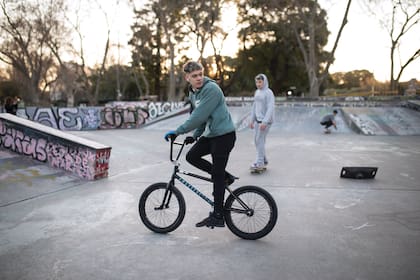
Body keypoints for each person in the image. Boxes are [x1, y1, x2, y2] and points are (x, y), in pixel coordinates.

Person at [164, 61, 236, 228]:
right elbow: (203, 120)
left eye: (200, 74)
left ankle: (218, 215)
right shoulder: (193, 93)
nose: (198, 78)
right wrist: (195, 136)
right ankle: (225, 177)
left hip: (224, 136)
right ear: (187, 77)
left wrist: (178, 131)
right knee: (192, 156)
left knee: (216, 175)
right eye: (194, 76)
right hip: (211, 134)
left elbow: (198, 116)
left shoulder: (211, 89)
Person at [249, 74, 275, 171]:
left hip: (265, 122)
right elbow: (254, 107)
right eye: (256, 82)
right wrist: (251, 120)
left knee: (260, 141)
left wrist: (265, 121)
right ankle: (263, 159)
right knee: (257, 141)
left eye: (260, 82)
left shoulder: (269, 93)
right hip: (257, 121)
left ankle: (260, 163)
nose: (258, 84)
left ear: (264, 82)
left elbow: (270, 108)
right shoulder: (257, 92)